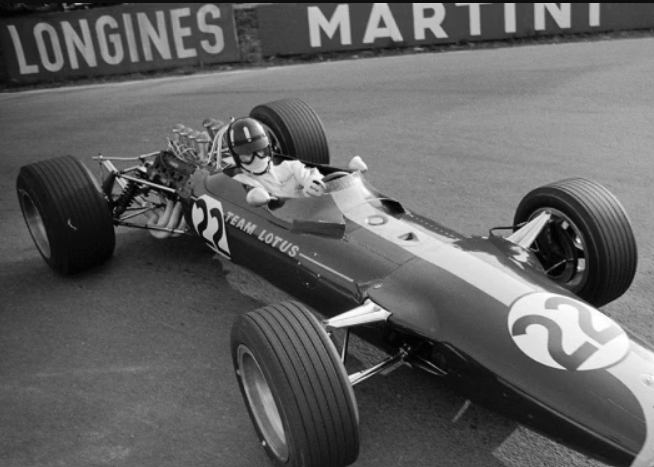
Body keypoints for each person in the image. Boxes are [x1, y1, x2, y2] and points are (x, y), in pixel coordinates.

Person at [226, 117, 326, 199]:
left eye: (260, 151)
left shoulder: (290, 166)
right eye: (247, 155)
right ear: (237, 158)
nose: (257, 158)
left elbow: (311, 174)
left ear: (269, 148)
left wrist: (314, 181)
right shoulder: (239, 181)